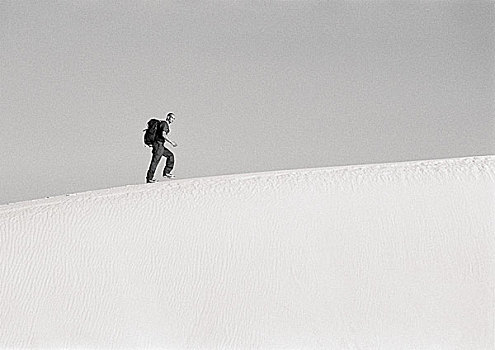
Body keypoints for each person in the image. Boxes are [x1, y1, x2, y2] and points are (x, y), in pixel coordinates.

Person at [146, 112, 178, 183]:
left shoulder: (162, 123)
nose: (173, 120)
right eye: (172, 118)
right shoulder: (164, 124)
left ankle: (166, 172)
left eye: (174, 119)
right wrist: (171, 142)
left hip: (159, 145)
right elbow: (163, 135)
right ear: (168, 117)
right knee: (155, 161)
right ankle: (149, 178)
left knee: (170, 155)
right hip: (158, 145)